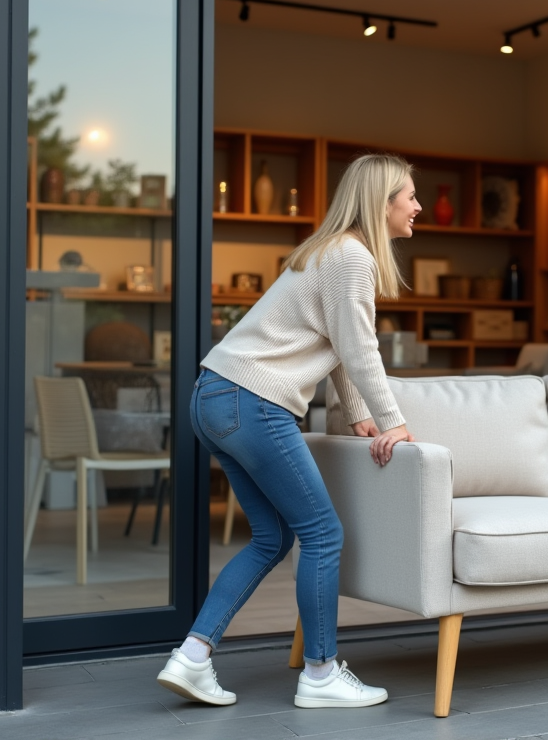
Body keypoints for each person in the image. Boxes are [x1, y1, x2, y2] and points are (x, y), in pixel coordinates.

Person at [156, 154, 420, 708]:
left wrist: (358, 415)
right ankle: (321, 674)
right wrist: (395, 423)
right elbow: (359, 348)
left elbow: (339, 352)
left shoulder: (327, 251)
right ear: (383, 202)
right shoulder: (352, 256)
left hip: (215, 395)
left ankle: (192, 658)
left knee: (273, 537)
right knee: (322, 534)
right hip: (253, 403)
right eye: (410, 196)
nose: (417, 206)